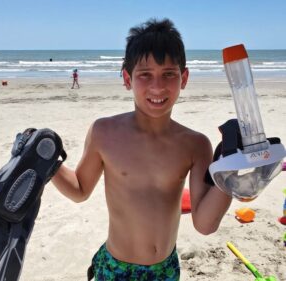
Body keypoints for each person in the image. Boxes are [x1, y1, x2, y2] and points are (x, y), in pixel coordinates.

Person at [52, 18, 232, 280]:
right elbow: (79, 190)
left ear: (184, 78)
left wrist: (230, 176)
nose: (157, 86)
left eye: (168, 74)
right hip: (116, 268)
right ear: (127, 78)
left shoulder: (195, 144)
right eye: (145, 75)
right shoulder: (105, 133)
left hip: (166, 269)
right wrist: (48, 163)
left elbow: (205, 225)